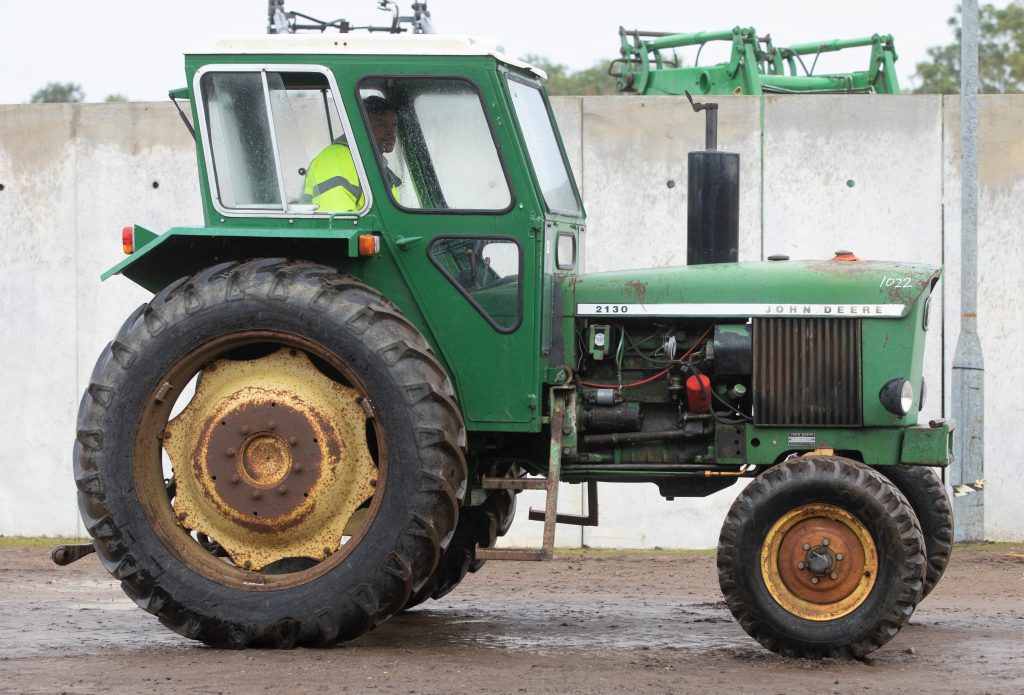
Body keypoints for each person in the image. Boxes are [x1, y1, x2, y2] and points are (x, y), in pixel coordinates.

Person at [304, 95, 401, 212]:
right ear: (361, 127)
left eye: (394, 125)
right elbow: (341, 224)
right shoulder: (334, 161)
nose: (391, 132)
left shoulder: (374, 162)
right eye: (382, 125)